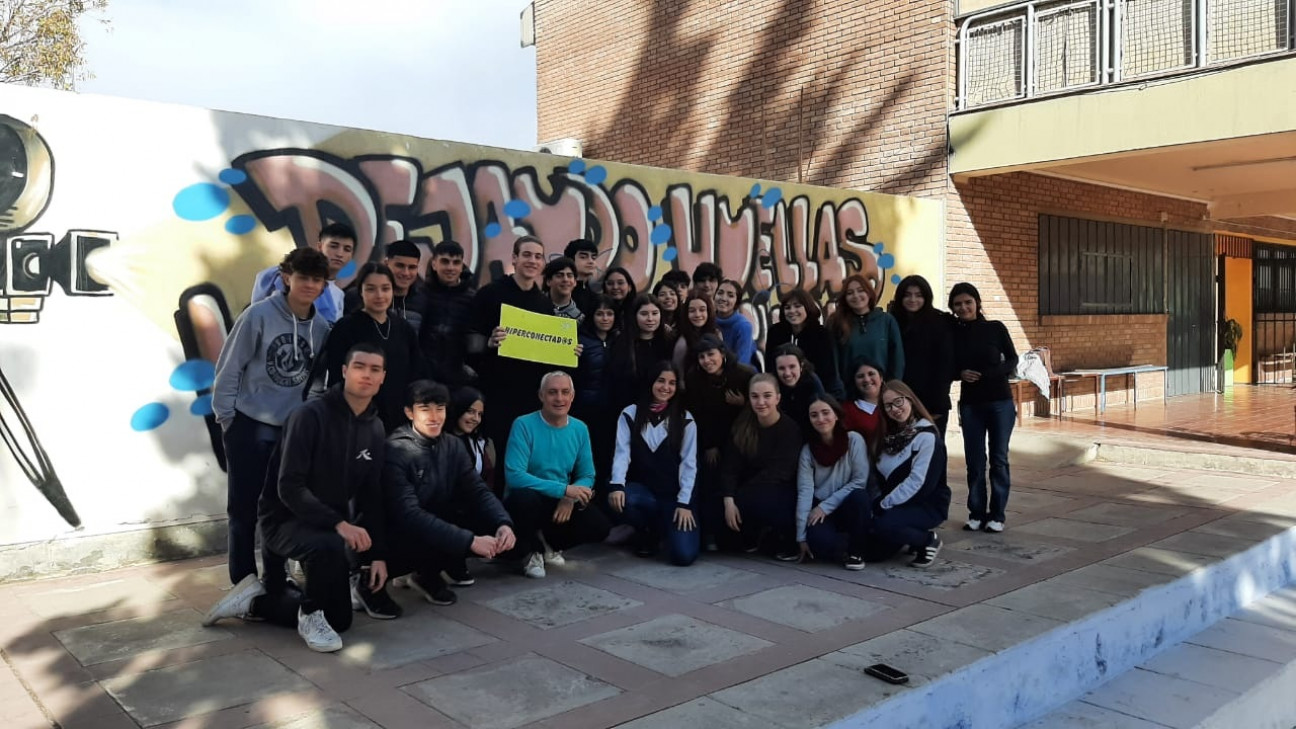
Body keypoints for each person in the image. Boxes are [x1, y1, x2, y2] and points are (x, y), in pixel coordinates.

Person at [203, 343, 395, 654]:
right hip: (283, 521)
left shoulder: (374, 427)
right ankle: (307, 615)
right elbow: (289, 488)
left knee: (341, 620)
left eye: (375, 369)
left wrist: (377, 556)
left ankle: (256, 601)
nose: (367, 375)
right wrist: (340, 525)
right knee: (330, 546)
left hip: (326, 525)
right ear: (345, 371)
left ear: (383, 377)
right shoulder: (309, 416)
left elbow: (371, 494)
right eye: (359, 366)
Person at [213, 248, 332, 587]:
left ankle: (275, 578)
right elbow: (230, 367)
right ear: (286, 278)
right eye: (302, 277)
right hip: (249, 426)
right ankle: (243, 583)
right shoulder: (258, 316)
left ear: (324, 285)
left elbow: (318, 383)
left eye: (316, 279)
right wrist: (227, 419)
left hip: (290, 432)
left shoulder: (322, 328)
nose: (308, 284)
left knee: (281, 509)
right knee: (243, 510)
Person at [384, 380, 517, 606]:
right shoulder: (396, 450)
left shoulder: (452, 445)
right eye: (425, 409)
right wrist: (470, 541)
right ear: (409, 412)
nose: (434, 417)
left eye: (440, 409)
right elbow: (408, 514)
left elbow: (477, 490)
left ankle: (427, 574)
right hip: (395, 532)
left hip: (432, 522)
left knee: (474, 514)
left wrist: (503, 523)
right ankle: (367, 581)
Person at [503, 372, 611, 578]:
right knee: (524, 500)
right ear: (541, 395)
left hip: (559, 499)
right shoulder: (523, 424)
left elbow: (588, 474)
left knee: (600, 527)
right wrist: (564, 489)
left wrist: (569, 496)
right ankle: (530, 551)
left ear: (573, 396)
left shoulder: (580, 428)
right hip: (528, 497)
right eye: (552, 392)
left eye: (565, 392)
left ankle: (548, 545)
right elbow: (515, 476)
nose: (559, 398)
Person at [470, 236, 552, 490]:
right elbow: (470, 344)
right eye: (527, 255)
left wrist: (569, 351)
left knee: (526, 461)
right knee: (498, 459)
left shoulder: (545, 305)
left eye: (538, 256)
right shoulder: (490, 294)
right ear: (514, 258)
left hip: (531, 397)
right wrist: (488, 344)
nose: (532, 261)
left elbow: (550, 353)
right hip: (496, 394)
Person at [308, 263, 423, 433]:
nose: (379, 295)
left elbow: (416, 372)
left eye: (385, 288)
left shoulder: (403, 328)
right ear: (360, 291)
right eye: (371, 289)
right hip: (357, 421)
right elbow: (336, 378)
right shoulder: (346, 327)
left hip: (398, 422)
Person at [608, 361, 699, 565]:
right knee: (625, 497)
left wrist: (684, 503)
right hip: (646, 493)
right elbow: (622, 453)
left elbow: (689, 464)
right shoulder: (630, 413)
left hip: (676, 497)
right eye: (661, 381)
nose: (666, 387)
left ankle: (667, 529)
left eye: (672, 383)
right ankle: (646, 532)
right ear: (651, 381)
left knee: (683, 556)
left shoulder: (685, 419)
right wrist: (617, 485)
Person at [950, 282, 1018, 533]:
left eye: (968, 302)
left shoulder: (995, 328)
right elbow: (948, 364)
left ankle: (997, 514)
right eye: (958, 304)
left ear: (977, 303)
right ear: (953, 308)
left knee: (999, 459)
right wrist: (960, 372)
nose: (964, 307)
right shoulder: (953, 334)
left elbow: (1012, 359)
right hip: (971, 405)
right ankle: (976, 512)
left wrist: (993, 373)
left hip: (1000, 402)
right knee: (975, 461)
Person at [719, 374, 804, 555]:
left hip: (778, 491)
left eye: (767, 395)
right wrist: (729, 500)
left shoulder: (790, 429)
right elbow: (730, 467)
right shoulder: (743, 425)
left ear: (777, 398)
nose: (761, 402)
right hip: (748, 489)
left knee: (764, 501)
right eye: (755, 396)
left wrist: (740, 497)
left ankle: (777, 536)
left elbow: (781, 472)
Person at [785, 395, 872, 569]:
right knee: (818, 542)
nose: (820, 419)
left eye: (826, 413)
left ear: (836, 415)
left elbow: (859, 481)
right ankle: (847, 546)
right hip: (822, 509)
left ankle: (856, 552)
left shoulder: (854, 440)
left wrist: (825, 507)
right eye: (814, 415)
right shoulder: (808, 451)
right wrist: (801, 538)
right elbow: (805, 491)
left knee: (860, 497)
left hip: (846, 505)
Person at [684, 336, 755, 546]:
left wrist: (744, 403)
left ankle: (744, 535)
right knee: (711, 479)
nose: (707, 360)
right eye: (702, 357)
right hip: (712, 439)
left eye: (711, 354)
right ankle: (713, 534)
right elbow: (698, 415)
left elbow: (762, 403)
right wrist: (709, 445)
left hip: (742, 437)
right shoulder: (694, 378)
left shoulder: (744, 374)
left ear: (722, 354)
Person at [872, 380, 949, 567]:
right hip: (895, 504)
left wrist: (883, 504)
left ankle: (927, 540)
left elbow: (918, 483)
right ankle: (908, 536)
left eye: (898, 401)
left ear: (910, 400)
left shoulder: (926, 437)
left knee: (883, 525)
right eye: (888, 405)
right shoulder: (889, 437)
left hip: (926, 504)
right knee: (872, 552)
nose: (895, 409)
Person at [887, 275, 955, 436]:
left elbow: (945, 365)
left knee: (932, 448)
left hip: (932, 400)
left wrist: (937, 404)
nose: (912, 299)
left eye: (918, 295)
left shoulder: (940, 322)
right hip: (899, 399)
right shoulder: (891, 322)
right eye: (907, 295)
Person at [250, 222, 356, 324]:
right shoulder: (280, 279)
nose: (339, 254)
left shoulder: (339, 295)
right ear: (320, 246)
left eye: (347, 249)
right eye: (333, 246)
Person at [575, 296, 620, 497]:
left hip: (612, 411)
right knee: (585, 458)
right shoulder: (580, 341)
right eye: (600, 314)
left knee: (607, 458)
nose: (605, 318)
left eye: (609, 314)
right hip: (586, 410)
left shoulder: (620, 340)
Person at [420, 240, 477, 389]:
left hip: (458, 380)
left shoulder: (474, 299)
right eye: (445, 261)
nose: (450, 267)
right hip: (423, 376)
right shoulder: (420, 294)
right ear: (434, 264)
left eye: (456, 262)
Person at [765, 288, 842, 398]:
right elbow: (770, 366)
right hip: (782, 394)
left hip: (814, 392)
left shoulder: (822, 334)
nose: (792, 311)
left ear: (807, 307)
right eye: (787, 307)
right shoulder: (775, 333)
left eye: (797, 306)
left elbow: (829, 371)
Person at [829, 274, 905, 383]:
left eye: (861, 290)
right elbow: (834, 362)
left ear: (869, 293)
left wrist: (892, 389)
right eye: (850, 293)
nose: (856, 295)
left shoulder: (886, 321)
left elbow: (897, 359)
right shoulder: (837, 323)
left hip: (882, 391)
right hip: (849, 393)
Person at [608, 294, 675, 411]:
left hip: (662, 408)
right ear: (635, 316)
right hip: (629, 408)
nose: (650, 318)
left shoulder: (668, 342)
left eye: (655, 313)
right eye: (644, 314)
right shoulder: (622, 343)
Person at [343, 239, 428, 332]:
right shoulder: (356, 296)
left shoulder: (423, 300)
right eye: (400, 266)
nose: (406, 273)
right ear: (386, 263)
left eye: (412, 267)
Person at [771, 344, 825, 436]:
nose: (787, 373)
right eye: (781, 368)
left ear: (801, 366)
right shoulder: (772, 384)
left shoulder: (812, 382)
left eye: (792, 367)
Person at [841, 358, 886, 451]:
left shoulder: (894, 404)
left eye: (871, 374)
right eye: (860, 376)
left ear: (881, 378)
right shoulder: (846, 410)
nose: (866, 379)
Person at [672, 291, 720, 371]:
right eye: (692, 311)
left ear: (708, 311)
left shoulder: (717, 333)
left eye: (702, 310)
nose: (697, 315)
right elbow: (678, 375)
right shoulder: (682, 343)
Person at [714, 279, 757, 367]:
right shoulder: (709, 320)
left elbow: (743, 363)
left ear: (737, 302)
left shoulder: (743, 326)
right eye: (720, 293)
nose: (723, 298)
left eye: (730, 295)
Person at [564, 238, 600, 316]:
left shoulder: (596, 298)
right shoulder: (560, 294)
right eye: (583, 257)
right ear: (570, 260)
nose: (591, 261)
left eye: (594, 258)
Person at [544, 256, 584, 323]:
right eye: (559, 275)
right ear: (548, 281)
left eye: (569, 276)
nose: (565, 279)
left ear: (575, 282)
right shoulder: (535, 307)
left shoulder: (580, 319)